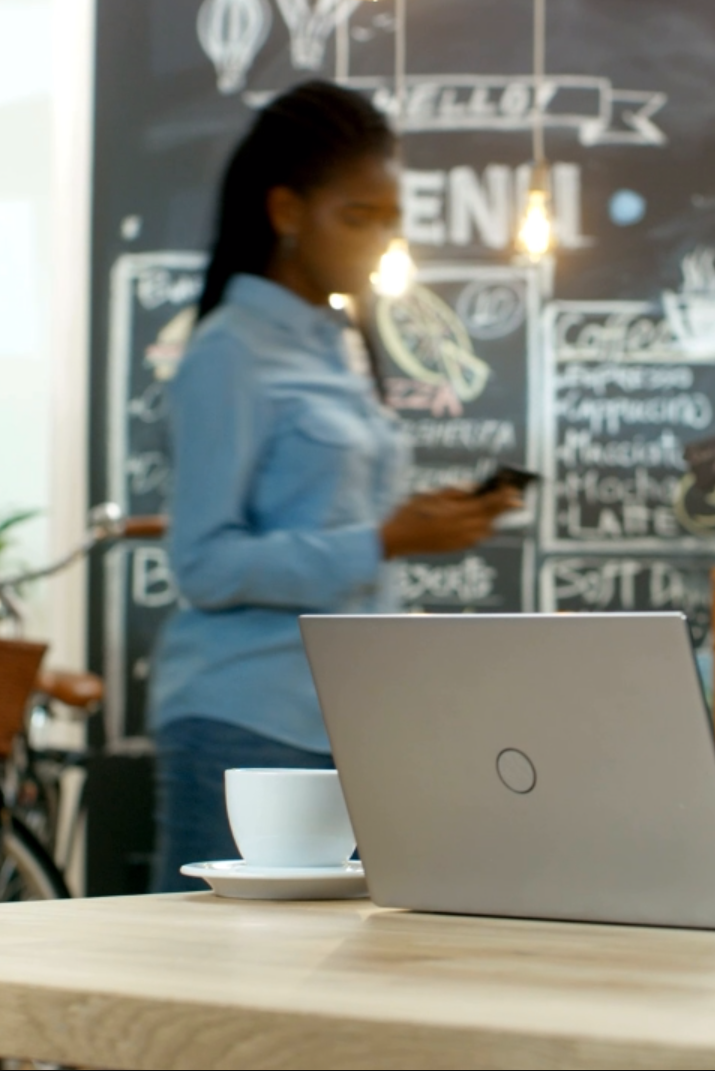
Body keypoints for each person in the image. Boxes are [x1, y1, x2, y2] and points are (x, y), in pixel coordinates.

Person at [150, 81, 519, 890]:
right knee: (215, 990)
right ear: (286, 212)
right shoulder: (228, 354)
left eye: (391, 218)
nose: (381, 240)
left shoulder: (332, 344)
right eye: (359, 217)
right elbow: (204, 565)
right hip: (246, 721)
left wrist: (420, 526)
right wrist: (385, 539)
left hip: (345, 722)